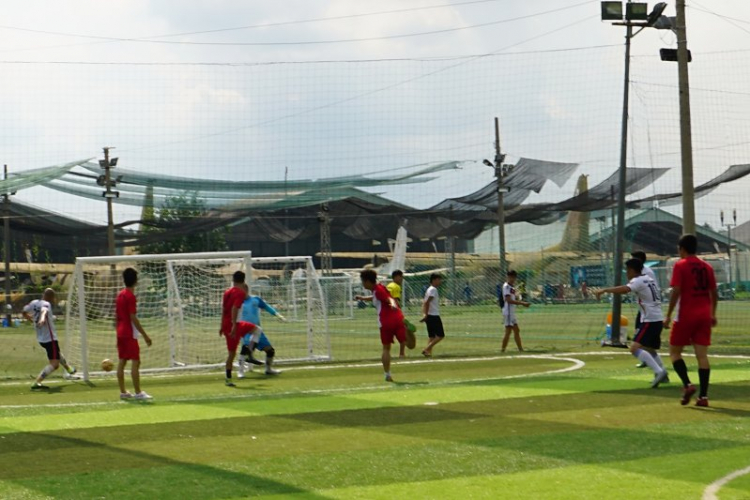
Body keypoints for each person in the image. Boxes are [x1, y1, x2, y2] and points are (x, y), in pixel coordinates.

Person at [596, 259, 669, 388]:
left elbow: (625, 289)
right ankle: (663, 373)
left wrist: (605, 290)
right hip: (657, 318)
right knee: (649, 348)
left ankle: (659, 372)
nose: (627, 274)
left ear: (631, 270)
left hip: (649, 320)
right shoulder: (648, 278)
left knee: (634, 348)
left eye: (627, 271)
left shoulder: (638, 280)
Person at [665, 234, 718, 407]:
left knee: (674, 352)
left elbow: (676, 291)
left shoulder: (680, 265)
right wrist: (713, 314)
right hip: (704, 315)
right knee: (702, 356)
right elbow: (714, 293)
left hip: (686, 314)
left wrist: (668, 314)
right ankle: (703, 397)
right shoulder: (707, 266)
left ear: (682, 249)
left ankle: (687, 385)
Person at [356, 269, 405, 382]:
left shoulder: (378, 290)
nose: (362, 284)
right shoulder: (379, 288)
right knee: (403, 339)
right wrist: (363, 298)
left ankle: (387, 374)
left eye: (363, 281)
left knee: (386, 348)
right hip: (396, 318)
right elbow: (379, 298)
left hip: (386, 321)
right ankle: (402, 350)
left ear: (368, 281)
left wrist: (392, 304)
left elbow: (389, 299)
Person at [24, 288, 77, 390]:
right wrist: (43, 319)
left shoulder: (33, 302)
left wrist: (29, 318)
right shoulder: (46, 304)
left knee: (56, 352)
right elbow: (44, 311)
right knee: (55, 364)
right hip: (50, 338)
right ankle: (37, 382)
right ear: (51, 297)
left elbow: (24, 311)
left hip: (41, 338)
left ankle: (69, 368)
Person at [115, 268, 153, 400]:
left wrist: (117, 334)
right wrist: (145, 335)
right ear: (136, 281)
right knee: (136, 362)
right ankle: (138, 392)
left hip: (120, 332)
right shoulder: (130, 296)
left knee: (122, 361)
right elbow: (133, 317)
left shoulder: (120, 295)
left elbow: (117, 316)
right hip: (129, 333)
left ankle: (123, 392)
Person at [220, 271, 262, 387]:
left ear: (233, 280)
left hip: (230, 324)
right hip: (234, 325)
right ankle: (228, 379)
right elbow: (234, 308)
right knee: (232, 353)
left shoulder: (227, 292)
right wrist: (233, 326)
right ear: (244, 281)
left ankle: (248, 352)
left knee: (256, 329)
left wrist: (221, 326)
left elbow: (224, 310)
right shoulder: (239, 293)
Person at [236, 283, 285, 377]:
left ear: (246, 290)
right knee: (245, 348)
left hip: (257, 330)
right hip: (245, 330)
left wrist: (277, 315)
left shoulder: (255, 299)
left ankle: (268, 369)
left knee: (270, 350)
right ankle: (241, 371)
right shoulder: (238, 302)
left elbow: (266, 307)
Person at [631, 251, 661, 368]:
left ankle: (657, 369)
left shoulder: (645, 273)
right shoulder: (641, 273)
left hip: (649, 311)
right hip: (645, 309)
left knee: (641, 340)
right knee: (640, 336)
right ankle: (654, 365)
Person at [501, 270, 530, 353]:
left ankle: (520, 349)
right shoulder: (506, 286)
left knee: (516, 330)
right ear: (508, 277)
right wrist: (522, 303)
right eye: (510, 277)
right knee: (508, 331)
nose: (512, 279)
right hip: (508, 312)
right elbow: (508, 300)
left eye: (513, 277)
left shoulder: (512, 287)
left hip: (512, 312)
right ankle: (503, 350)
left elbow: (513, 297)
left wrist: (517, 298)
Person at [420, 273, 445, 357]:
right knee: (440, 335)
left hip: (429, 315)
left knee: (432, 336)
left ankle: (428, 353)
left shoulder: (429, 289)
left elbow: (424, 302)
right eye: (439, 280)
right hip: (433, 315)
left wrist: (424, 314)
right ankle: (426, 349)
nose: (440, 282)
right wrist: (425, 314)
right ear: (434, 280)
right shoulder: (433, 289)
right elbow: (427, 302)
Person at [385, 270, 408, 358]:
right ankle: (402, 354)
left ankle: (387, 354)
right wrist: (400, 313)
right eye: (401, 277)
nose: (402, 279)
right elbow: (395, 301)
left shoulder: (388, 286)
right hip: (395, 315)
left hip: (387, 315)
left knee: (388, 338)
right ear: (396, 277)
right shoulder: (396, 287)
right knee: (402, 336)